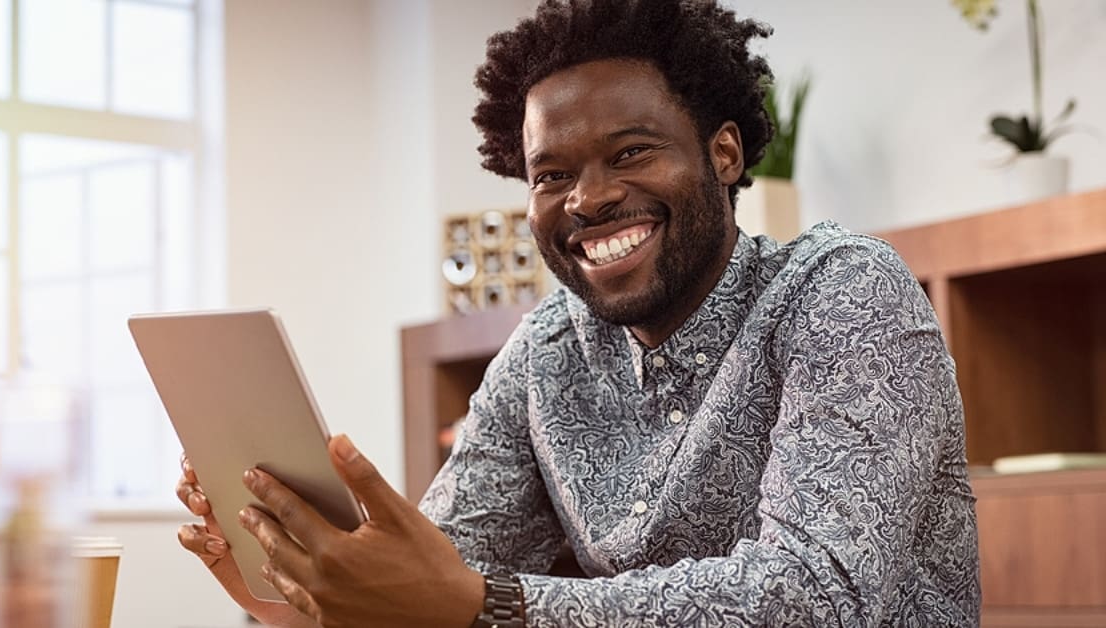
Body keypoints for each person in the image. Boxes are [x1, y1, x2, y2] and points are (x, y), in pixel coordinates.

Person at [176, 0, 981, 625]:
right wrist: (313, 589)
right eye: (551, 174)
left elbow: (817, 598)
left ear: (723, 153)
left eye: (631, 152)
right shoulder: (547, 349)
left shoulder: (843, 292)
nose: (588, 199)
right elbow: (438, 576)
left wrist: (486, 606)